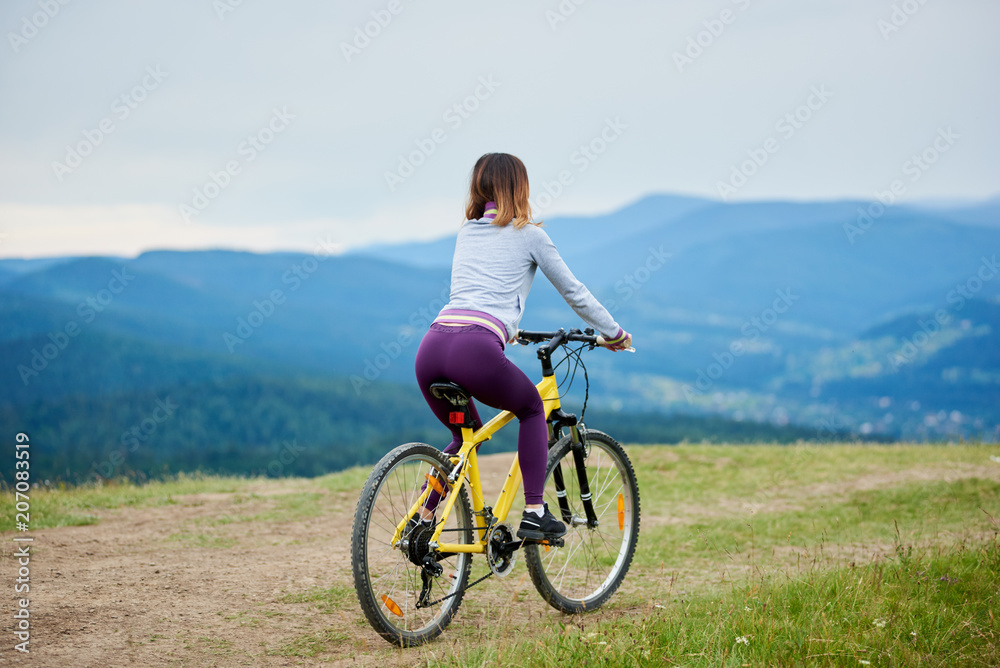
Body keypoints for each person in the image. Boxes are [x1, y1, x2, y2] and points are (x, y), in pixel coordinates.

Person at [414, 152, 632, 541]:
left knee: (465, 437)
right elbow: (575, 294)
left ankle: (424, 517)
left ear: (479, 188)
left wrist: (507, 327)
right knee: (532, 408)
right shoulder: (530, 234)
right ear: (520, 187)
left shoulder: (467, 231)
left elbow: (477, 292)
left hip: (432, 347)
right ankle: (534, 512)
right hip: (475, 349)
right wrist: (614, 333)